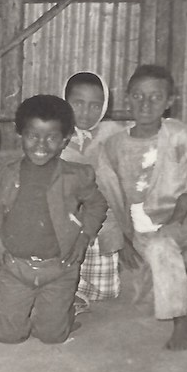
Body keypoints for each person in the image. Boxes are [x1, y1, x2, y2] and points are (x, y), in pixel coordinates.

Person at [94, 64, 187, 351]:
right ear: (127, 98)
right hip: (139, 224)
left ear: (169, 101)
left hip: (181, 217)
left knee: (161, 249)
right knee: (148, 290)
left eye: (155, 97)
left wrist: (186, 200)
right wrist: (120, 239)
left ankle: (182, 319)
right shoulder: (113, 146)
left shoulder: (180, 135)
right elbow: (106, 195)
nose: (146, 104)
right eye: (138, 96)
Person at [0, 95, 109, 345]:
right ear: (20, 134)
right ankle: (37, 309)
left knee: (52, 336)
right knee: (7, 336)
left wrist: (84, 237)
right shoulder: (3, 172)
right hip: (15, 267)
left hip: (59, 268)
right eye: (33, 135)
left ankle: (65, 311)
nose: (41, 144)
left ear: (65, 140)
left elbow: (97, 204)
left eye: (52, 137)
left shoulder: (76, 175)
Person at [61, 71, 124, 313]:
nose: (86, 113)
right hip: (63, 220)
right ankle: (67, 290)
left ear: (105, 106)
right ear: (64, 101)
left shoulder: (114, 134)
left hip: (102, 221)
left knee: (104, 290)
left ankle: (80, 290)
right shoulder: (53, 134)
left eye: (95, 105)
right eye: (78, 103)